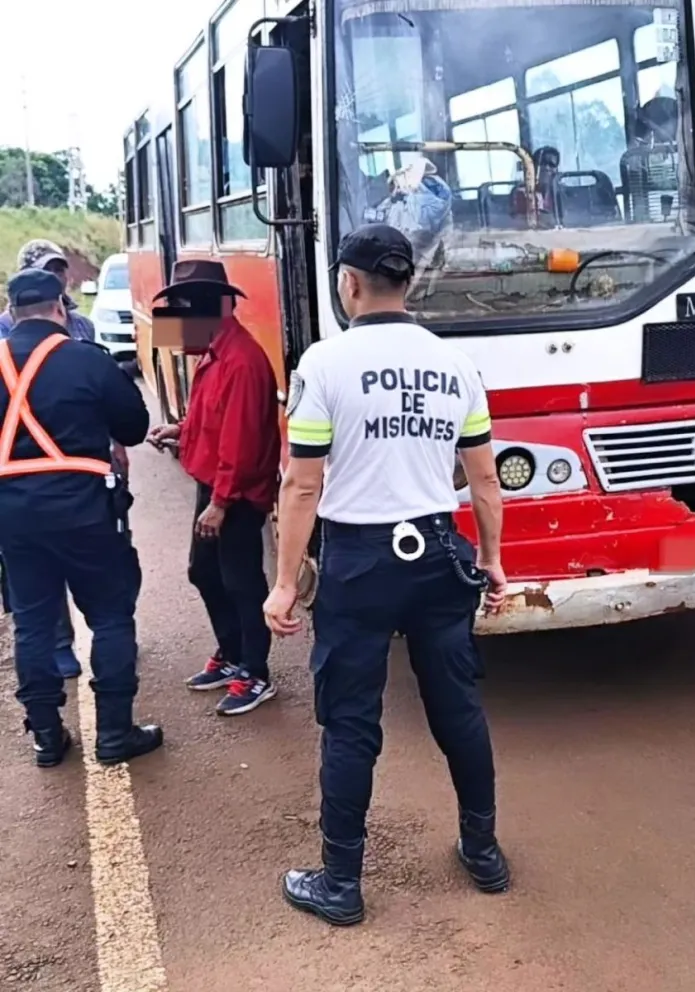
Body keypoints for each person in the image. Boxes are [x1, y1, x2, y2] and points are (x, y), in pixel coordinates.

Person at [263, 223, 509, 927]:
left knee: (350, 722)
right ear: (409, 283)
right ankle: (483, 851)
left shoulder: (325, 363)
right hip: (439, 554)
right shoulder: (455, 367)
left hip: (359, 561)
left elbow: (302, 486)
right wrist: (489, 561)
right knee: (457, 708)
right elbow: (485, 479)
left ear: (348, 283)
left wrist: (285, 582)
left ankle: (341, 882)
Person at [0, 268, 161, 767]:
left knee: (31, 622)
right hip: (86, 510)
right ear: (60, 308)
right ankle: (115, 735)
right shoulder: (85, 359)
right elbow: (134, 427)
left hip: (13, 516)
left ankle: (47, 738)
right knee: (111, 617)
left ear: (11, 312)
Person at [146, 260, 281, 717]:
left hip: (236, 494)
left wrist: (220, 503)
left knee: (241, 580)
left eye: (179, 311)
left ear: (208, 310)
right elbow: (213, 422)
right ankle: (232, 652)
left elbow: (241, 445)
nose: (170, 326)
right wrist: (180, 431)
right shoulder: (213, 353)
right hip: (217, 485)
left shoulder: (241, 361)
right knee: (204, 572)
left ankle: (255, 673)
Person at [0, 240, 100, 679]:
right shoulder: (6, 337)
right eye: (49, 272)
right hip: (24, 471)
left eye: (60, 271)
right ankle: (64, 645)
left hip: (81, 470)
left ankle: (108, 637)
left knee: (95, 572)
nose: (59, 279)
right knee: (40, 589)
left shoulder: (82, 327)